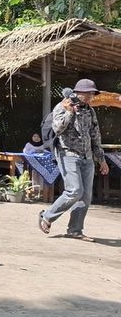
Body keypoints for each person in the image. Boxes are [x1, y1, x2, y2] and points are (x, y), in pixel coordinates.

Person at [39, 79, 109, 241]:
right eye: (89, 93)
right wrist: (69, 111)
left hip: (87, 157)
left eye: (93, 93)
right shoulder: (62, 107)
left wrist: (101, 160)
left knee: (85, 196)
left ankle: (75, 230)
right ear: (79, 93)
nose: (92, 96)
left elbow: (95, 136)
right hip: (67, 154)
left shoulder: (90, 111)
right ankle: (47, 216)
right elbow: (57, 129)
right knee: (74, 191)